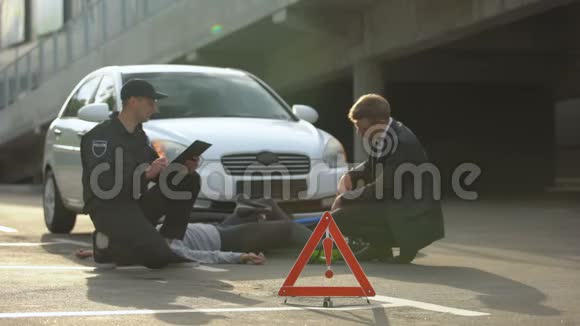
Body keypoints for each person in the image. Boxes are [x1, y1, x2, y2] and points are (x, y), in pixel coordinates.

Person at [80, 79, 202, 269]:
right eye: (150, 102)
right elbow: (104, 185)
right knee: (158, 258)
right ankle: (108, 245)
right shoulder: (100, 138)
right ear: (133, 101)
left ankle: (169, 240)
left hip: (135, 205)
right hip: (110, 210)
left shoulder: (141, 137)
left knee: (188, 179)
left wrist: (183, 169)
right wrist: (144, 175)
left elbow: (158, 175)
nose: (154, 108)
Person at [331, 94, 444, 264]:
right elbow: (370, 165)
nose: (359, 134)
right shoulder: (386, 133)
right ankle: (379, 247)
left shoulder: (402, 142)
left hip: (411, 214)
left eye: (361, 128)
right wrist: (349, 176)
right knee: (348, 209)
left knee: (338, 218)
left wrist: (345, 198)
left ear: (379, 123)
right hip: (396, 203)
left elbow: (383, 187)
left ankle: (400, 243)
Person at [75, 197, 313, 265]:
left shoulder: (137, 235)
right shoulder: (162, 248)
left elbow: (117, 244)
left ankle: (305, 238)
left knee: (267, 204)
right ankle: (330, 246)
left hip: (218, 227)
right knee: (287, 228)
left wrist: (93, 251)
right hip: (225, 240)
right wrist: (238, 257)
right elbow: (199, 256)